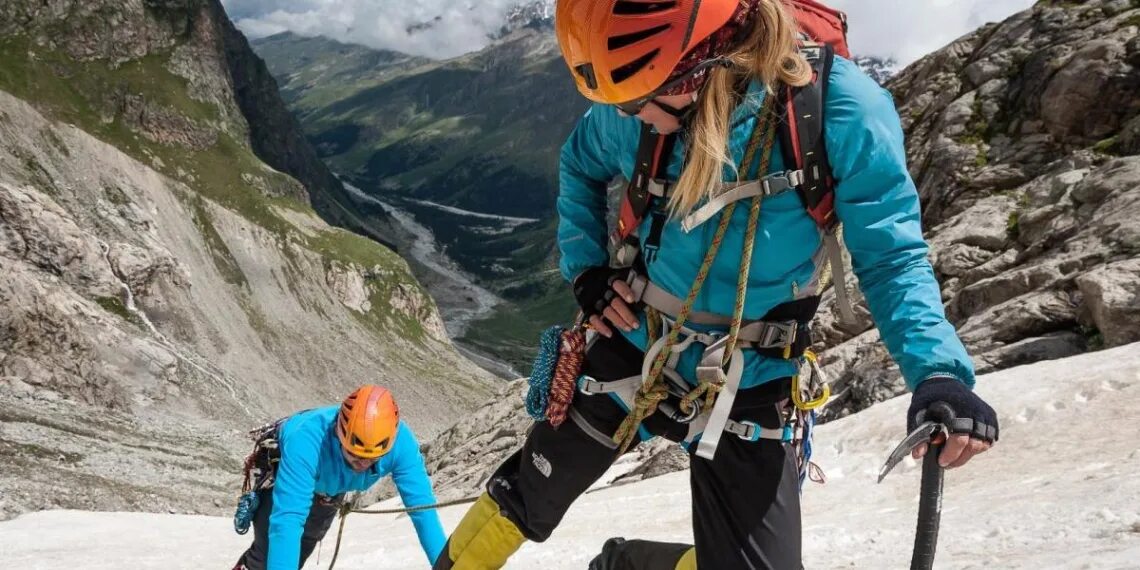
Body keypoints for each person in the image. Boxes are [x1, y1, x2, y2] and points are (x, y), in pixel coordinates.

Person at [433, 0, 1000, 569]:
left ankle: (629, 566)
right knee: (523, 500)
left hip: (751, 375)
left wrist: (939, 373)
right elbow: (580, 163)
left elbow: (892, 257)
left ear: (704, 63)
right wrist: (587, 272)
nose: (628, 116)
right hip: (637, 340)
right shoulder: (650, 97)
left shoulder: (839, 113)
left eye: (635, 100)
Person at [233, 385, 445, 569]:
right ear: (338, 434)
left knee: (298, 553)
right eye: (354, 454)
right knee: (266, 557)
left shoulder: (402, 445)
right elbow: (288, 520)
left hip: (328, 488)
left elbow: (423, 510)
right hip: (286, 470)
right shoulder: (307, 441)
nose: (362, 464)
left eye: (372, 459)